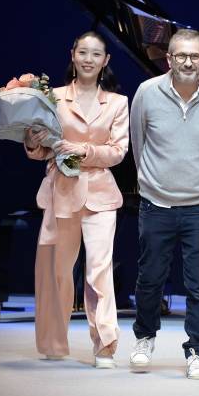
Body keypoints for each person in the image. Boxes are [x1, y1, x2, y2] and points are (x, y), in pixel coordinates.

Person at [128, 28, 199, 379]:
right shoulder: (147, 92)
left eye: (195, 56)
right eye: (181, 55)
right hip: (155, 203)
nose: (188, 61)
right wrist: (154, 181)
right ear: (168, 59)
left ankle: (197, 352)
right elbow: (138, 141)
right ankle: (144, 338)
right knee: (150, 279)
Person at [23, 31, 129, 368]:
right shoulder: (51, 97)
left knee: (99, 270)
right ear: (72, 55)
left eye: (95, 54)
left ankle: (105, 345)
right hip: (61, 192)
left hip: (100, 194)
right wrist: (31, 140)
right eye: (82, 52)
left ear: (105, 61)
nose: (88, 59)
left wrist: (81, 150)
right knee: (58, 270)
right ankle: (55, 342)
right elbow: (39, 150)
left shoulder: (116, 103)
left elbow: (118, 152)